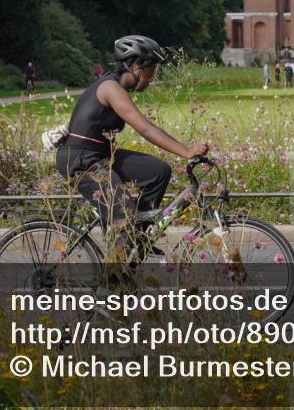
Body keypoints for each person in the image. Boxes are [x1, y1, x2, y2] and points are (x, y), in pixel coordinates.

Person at [56, 35, 209, 265]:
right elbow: (145, 129)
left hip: (101, 156)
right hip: (80, 160)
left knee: (159, 171)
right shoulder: (110, 88)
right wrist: (186, 151)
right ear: (136, 66)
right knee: (124, 215)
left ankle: (138, 238)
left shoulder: (115, 86)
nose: (151, 79)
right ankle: (114, 280)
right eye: (150, 73)